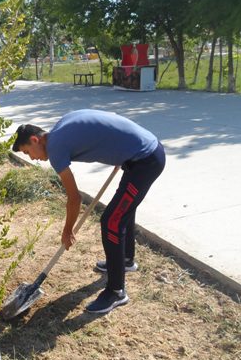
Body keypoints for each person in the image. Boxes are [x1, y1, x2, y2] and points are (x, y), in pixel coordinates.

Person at [11, 109, 165, 314]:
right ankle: (126, 260)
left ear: (35, 140)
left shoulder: (55, 148)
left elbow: (74, 198)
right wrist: (119, 145)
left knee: (111, 221)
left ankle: (116, 292)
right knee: (122, 210)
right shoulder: (60, 126)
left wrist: (67, 231)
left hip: (145, 160)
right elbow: (104, 121)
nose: (33, 158)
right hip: (142, 152)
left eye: (28, 152)